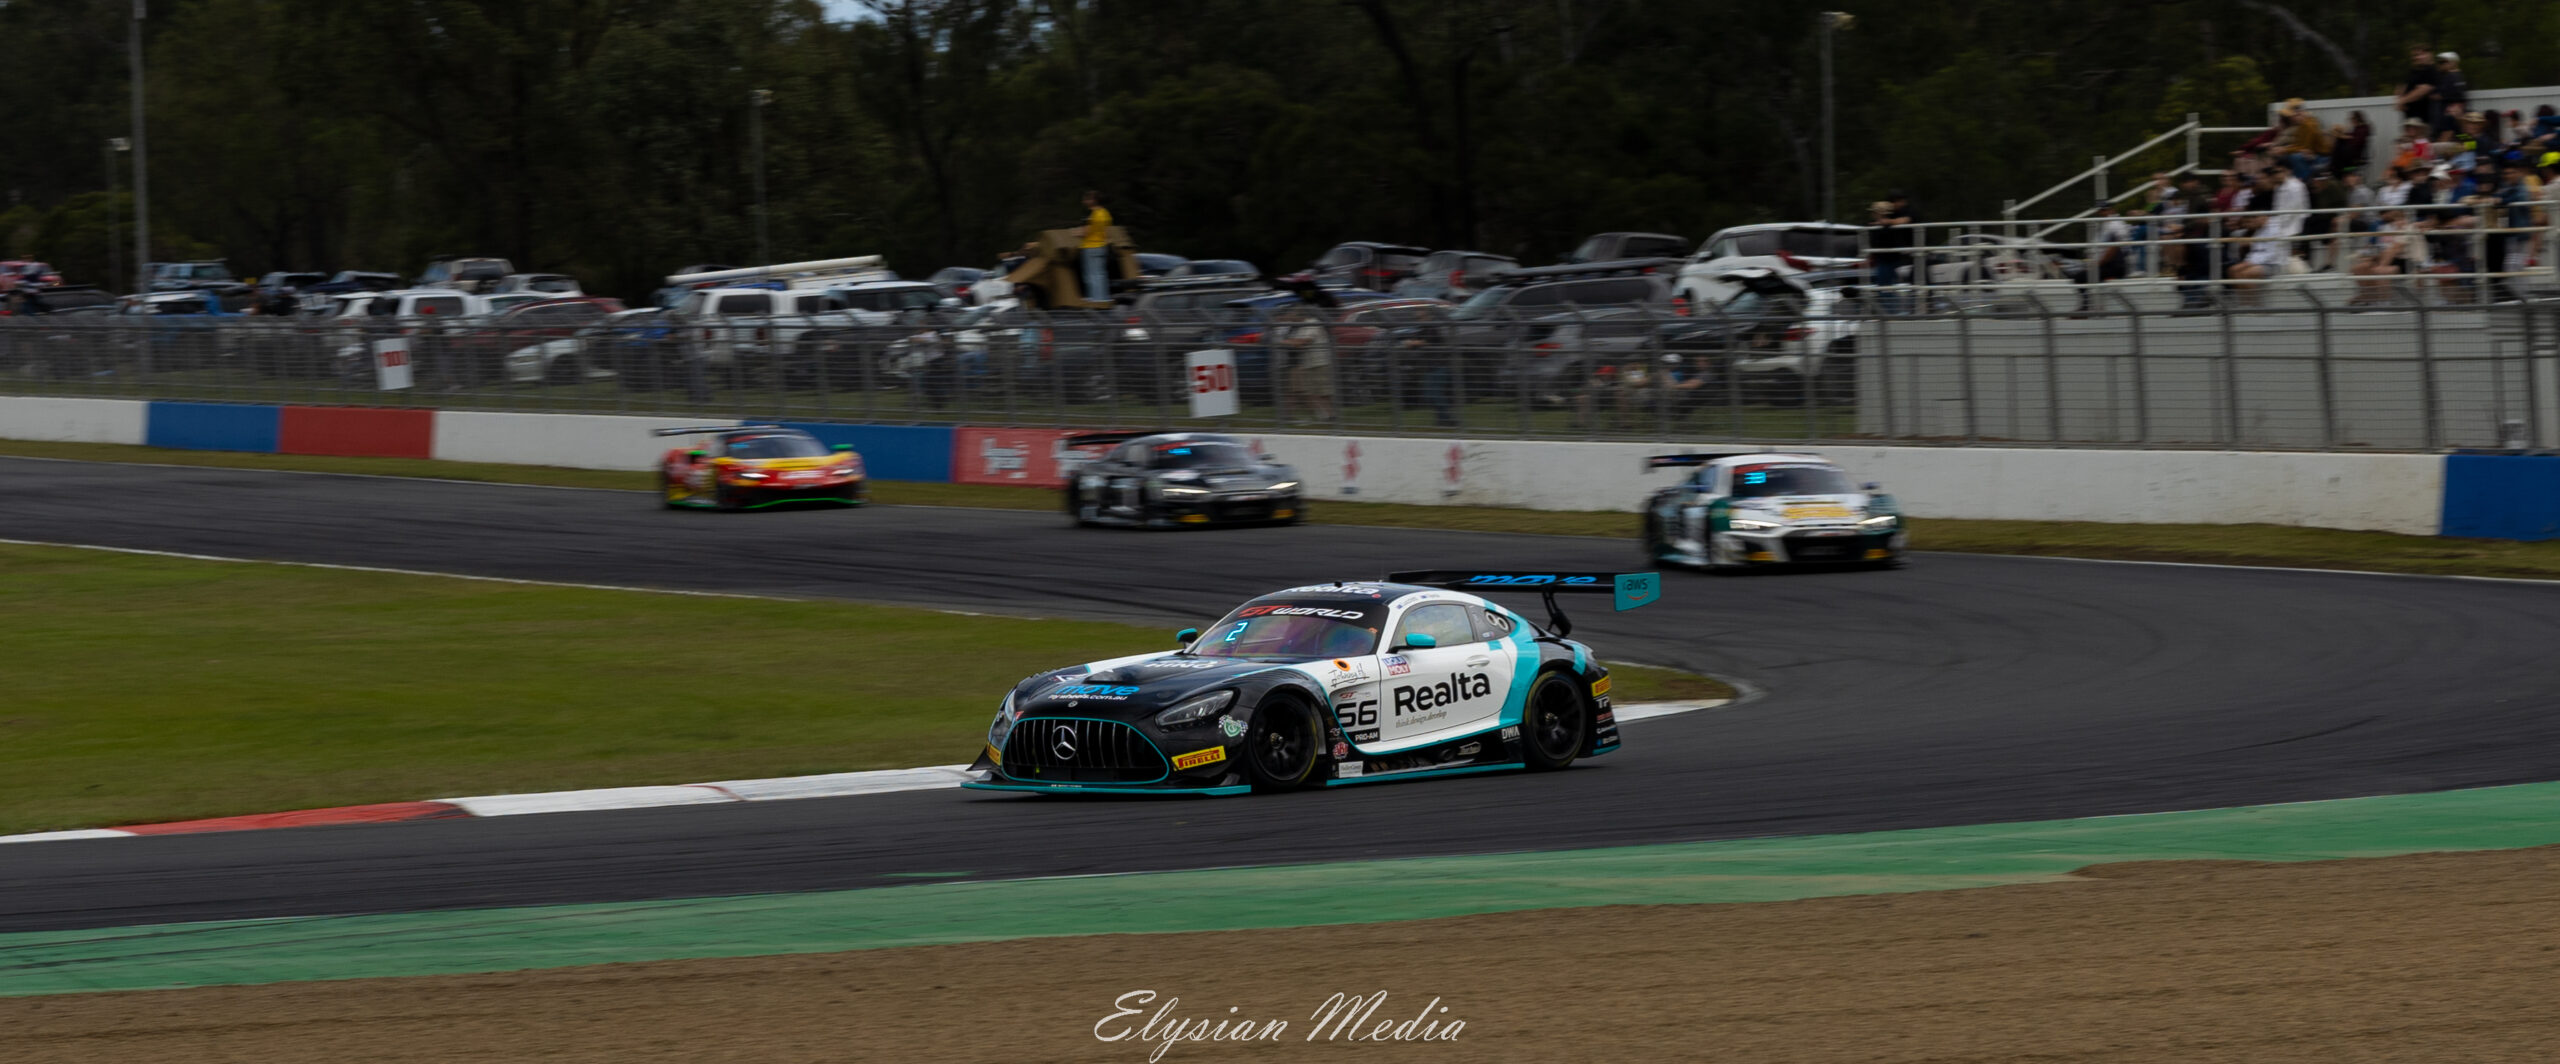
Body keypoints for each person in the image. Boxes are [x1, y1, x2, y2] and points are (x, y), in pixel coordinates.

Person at [1275, 305, 1337, 424]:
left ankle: (1331, 416)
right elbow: (1295, 341)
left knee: (1323, 392)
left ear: (1300, 316)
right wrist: (1290, 342)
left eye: (1293, 315)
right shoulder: (1301, 326)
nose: (1291, 318)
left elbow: (1302, 342)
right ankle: (1327, 416)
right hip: (1309, 363)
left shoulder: (1312, 323)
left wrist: (1282, 342)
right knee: (1313, 392)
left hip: (1319, 362)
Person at [1867, 191, 1916, 312]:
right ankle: (1895, 311)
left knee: (1884, 288)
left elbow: (1882, 242)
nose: (1872, 214)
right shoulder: (1887, 226)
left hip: (1887, 260)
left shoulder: (1887, 227)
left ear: (1879, 214)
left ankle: (1894, 312)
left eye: (1874, 212)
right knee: (1886, 287)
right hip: (1888, 260)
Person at [1077, 190, 1112, 304]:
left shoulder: (1091, 215)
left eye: (1086, 199)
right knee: (1101, 274)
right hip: (1102, 246)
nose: (1084, 201)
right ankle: (1104, 298)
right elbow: (1108, 233)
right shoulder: (1105, 213)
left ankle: (1095, 300)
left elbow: (1085, 233)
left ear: (1093, 201)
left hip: (1090, 246)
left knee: (1091, 275)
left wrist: (1076, 233)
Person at [2396, 45, 2441, 131]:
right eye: (2415, 55)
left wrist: (2403, 100)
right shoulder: (2414, 71)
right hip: (2410, 120)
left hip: (2423, 120)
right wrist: (2400, 98)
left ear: (2430, 54)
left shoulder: (2431, 71)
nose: (2417, 57)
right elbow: (2402, 86)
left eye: (2421, 54)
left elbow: (2423, 90)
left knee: (2423, 139)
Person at [2434, 53, 2470, 134]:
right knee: (2460, 133)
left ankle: (2469, 142)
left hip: (2449, 113)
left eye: (2443, 62)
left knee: (2447, 134)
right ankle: (2470, 143)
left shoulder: (2450, 77)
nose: (2440, 65)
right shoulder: (2460, 76)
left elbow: (2441, 95)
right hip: (2458, 111)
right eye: (2439, 62)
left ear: (2453, 62)